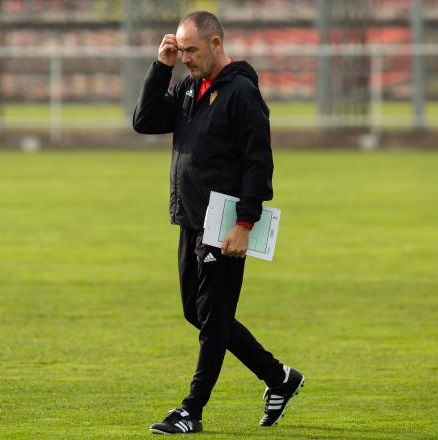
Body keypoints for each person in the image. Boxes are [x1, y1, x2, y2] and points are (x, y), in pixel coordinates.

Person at [132, 10, 304, 435]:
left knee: (213, 321)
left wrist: (244, 223)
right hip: (191, 220)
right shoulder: (190, 87)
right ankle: (279, 377)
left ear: (216, 44)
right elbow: (144, 121)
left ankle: (192, 410)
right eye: (181, 49)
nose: (186, 57)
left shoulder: (241, 93)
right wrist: (162, 67)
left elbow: (258, 163)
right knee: (199, 313)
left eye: (191, 50)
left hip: (224, 226)